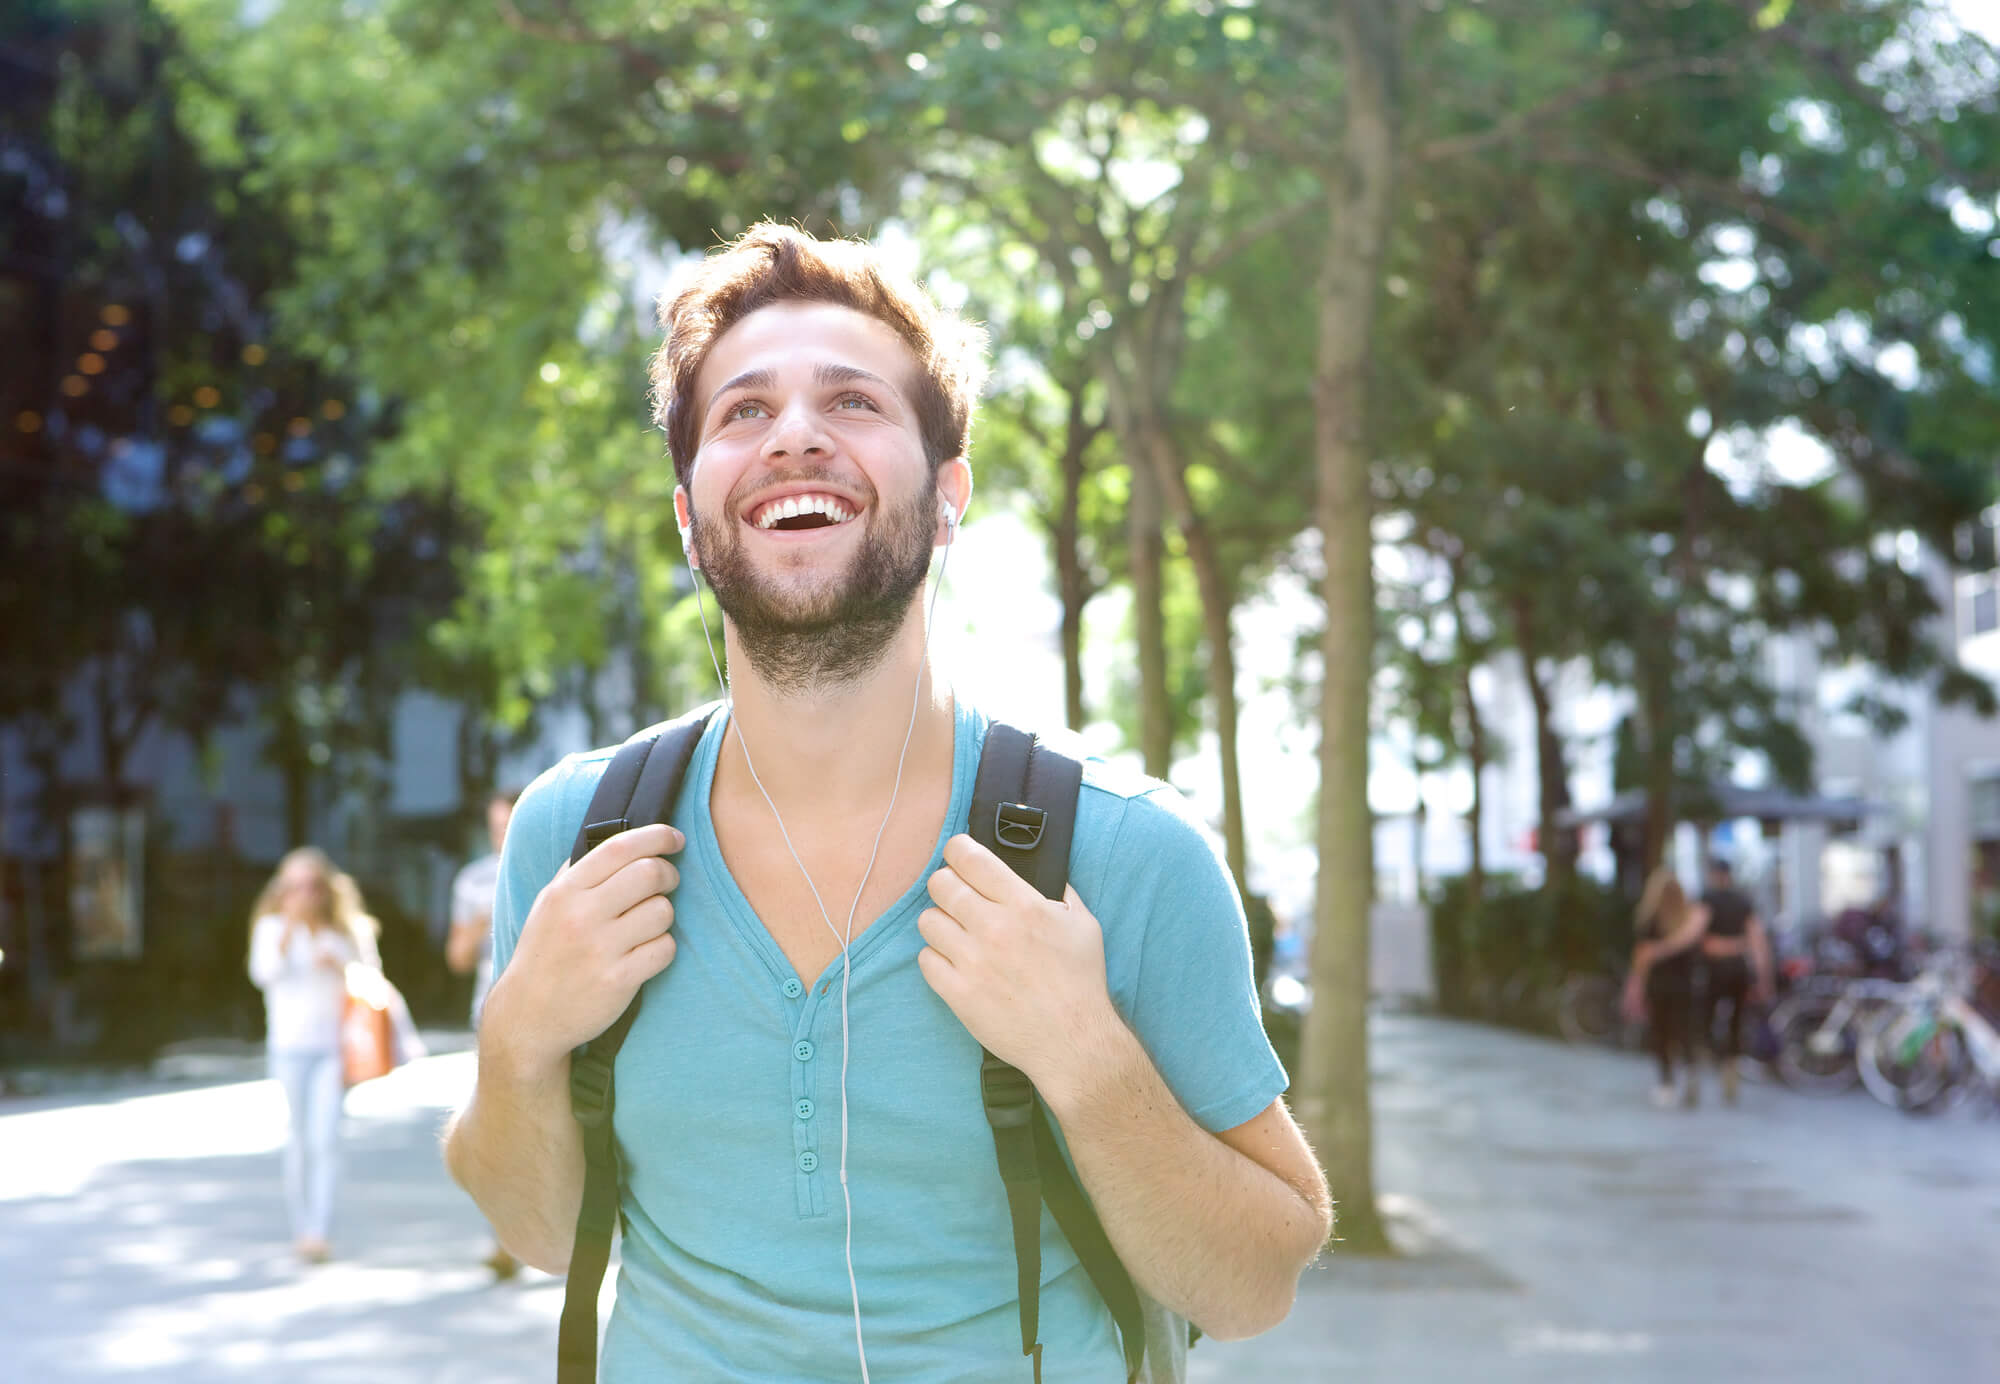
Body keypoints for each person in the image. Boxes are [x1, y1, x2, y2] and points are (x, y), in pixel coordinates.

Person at [444, 223, 1331, 1381]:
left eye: (852, 402)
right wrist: (516, 1041)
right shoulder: (575, 839)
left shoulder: (1123, 850)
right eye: (742, 411)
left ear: (948, 494)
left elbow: (1254, 1284)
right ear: (686, 512)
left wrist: (1087, 1060)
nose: (795, 434)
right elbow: (538, 1231)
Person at [247, 847, 379, 1263]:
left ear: (326, 889)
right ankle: (303, 1226)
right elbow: (262, 974)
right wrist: (288, 930)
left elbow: (373, 983)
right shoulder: (271, 928)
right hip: (289, 1049)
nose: (303, 895)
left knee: (326, 1138)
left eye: (311, 886)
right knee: (300, 1140)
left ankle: (319, 1230)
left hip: (335, 1049)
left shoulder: (345, 931)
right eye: (293, 887)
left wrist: (340, 965)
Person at [445, 788, 522, 1280]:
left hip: (551, 1010)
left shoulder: (560, 864)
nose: (502, 836)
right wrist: (478, 925)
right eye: (496, 827)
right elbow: (454, 958)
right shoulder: (473, 880)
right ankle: (504, 1237)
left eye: (511, 825)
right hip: (489, 1014)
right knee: (498, 1126)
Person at [1622, 867, 1708, 1109]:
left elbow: (1641, 956)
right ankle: (1691, 1071)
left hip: (1658, 986)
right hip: (1685, 986)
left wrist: (1635, 985)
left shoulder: (1649, 920)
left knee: (1660, 1033)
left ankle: (1666, 1084)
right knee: (1683, 1032)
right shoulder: (1687, 920)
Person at [1697, 857, 1774, 1105]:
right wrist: (1763, 978)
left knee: (1706, 1019)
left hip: (1713, 970)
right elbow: (1758, 941)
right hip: (1739, 969)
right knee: (1735, 1022)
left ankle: (1702, 1067)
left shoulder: (1706, 899)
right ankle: (1730, 1069)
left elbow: (1696, 935)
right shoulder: (1743, 902)